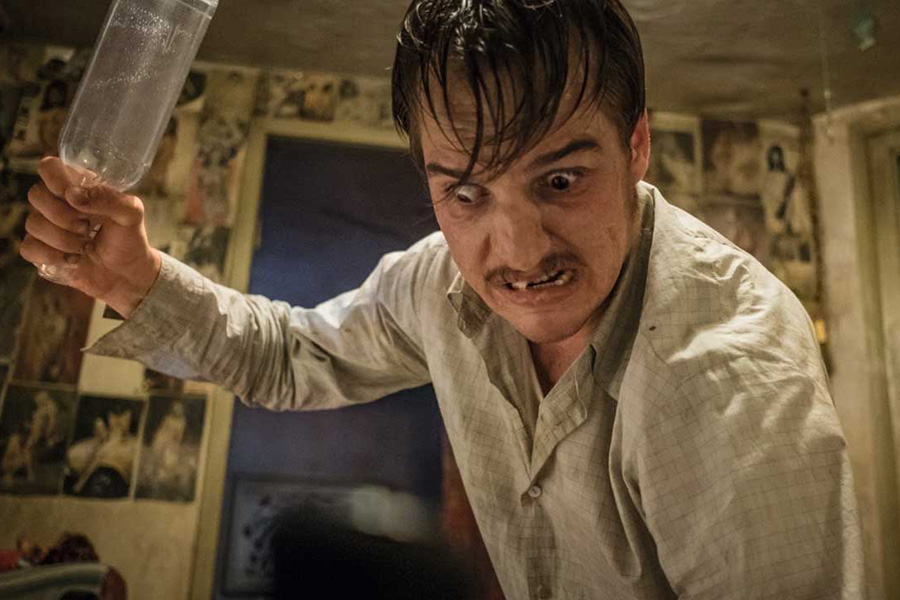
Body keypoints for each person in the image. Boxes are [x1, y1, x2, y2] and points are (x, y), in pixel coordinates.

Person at [22, 0, 865, 597]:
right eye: (466, 194)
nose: (519, 251)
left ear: (636, 144)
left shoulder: (730, 379)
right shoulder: (437, 285)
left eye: (561, 180)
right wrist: (132, 279)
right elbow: (290, 355)